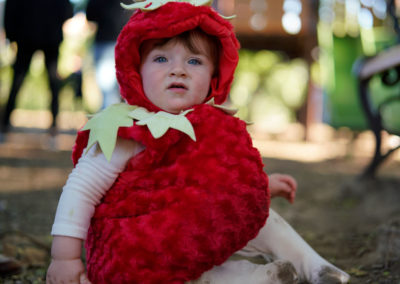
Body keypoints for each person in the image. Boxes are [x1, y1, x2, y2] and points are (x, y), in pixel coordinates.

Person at [46, 1, 350, 283]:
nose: (178, 69)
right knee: (186, 273)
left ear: (213, 77)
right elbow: (80, 191)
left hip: (199, 229)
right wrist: (65, 257)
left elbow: (216, 183)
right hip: (146, 243)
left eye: (194, 61)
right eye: (161, 58)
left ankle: (316, 267)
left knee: (265, 218)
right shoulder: (127, 130)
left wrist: (260, 187)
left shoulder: (210, 129)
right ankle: (256, 277)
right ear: (136, 70)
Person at [1, 0, 73, 136]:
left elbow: (11, 9)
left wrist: (12, 36)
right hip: (45, 36)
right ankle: (53, 127)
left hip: (29, 36)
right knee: (49, 83)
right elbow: (67, 10)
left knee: (19, 81)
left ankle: (5, 125)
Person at [85, 0, 131, 109]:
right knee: (123, 89)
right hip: (125, 41)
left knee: (108, 91)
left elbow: (90, 15)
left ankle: (110, 123)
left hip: (107, 42)